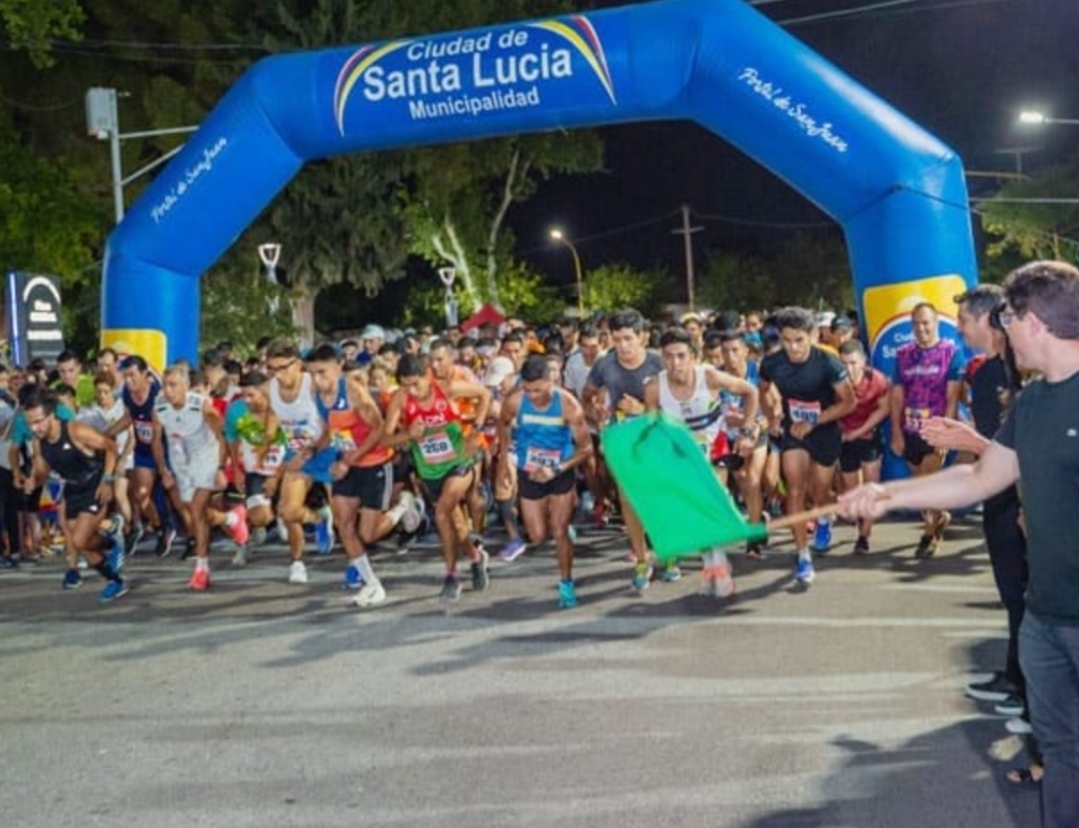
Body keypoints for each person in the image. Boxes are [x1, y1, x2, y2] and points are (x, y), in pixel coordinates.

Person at [839, 261, 1079, 828]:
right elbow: (978, 479)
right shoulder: (1035, 401)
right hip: (1044, 620)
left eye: (1009, 318)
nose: (1004, 330)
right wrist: (885, 493)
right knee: (1063, 755)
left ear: (1036, 322)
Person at [922, 284, 1034, 734]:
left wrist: (971, 443)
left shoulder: (1023, 375)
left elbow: (1020, 453)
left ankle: (1032, 696)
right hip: (998, 499)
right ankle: (1016, 677)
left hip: (1023, 503)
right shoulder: (985, 374)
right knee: (1013, 596)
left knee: (1028, 597)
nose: (960, 330)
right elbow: (988, 445)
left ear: (992, 321)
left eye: (965, 321)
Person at [645, 327, 759, 597]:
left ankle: (719, 566)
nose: (676, 363)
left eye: (681, 356)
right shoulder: (654, 388)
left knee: (709, 500)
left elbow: (751, 392)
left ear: (693, 357)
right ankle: (711, 562)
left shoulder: (708, 376)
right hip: (681, 450)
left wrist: (746, 430)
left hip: (713, 443)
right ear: (662, 358)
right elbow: (652, 428)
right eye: (669, 357)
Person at [382, 354, 491, 603]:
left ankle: (451, 577)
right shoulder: (400, 399)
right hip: (430, 469)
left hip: (460, 461)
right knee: (456, 524)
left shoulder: (447, 389)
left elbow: (484, 394)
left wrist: (477, 429)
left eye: (416, 384)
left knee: (441, 512)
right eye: (406, 384)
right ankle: (475, 558)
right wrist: (408, 435)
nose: (412, 390)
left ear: (428, 376)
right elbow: (385, 439)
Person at [758, 307, 856, 585]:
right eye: (787, 340)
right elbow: (763, 390)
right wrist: (772, 415)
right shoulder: (772, 363)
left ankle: (825, 517)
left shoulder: (829, 363)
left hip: (824, 430)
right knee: (796, 489)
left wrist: (814, 421)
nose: (793, 347)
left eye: (799, 340)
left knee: (819, 491)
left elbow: (849, 403)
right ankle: (803, 555)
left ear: (812, 335)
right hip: (793, 431)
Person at [496, 354, 592, 608]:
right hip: (529, 471)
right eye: (528, 390)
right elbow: (503, 426)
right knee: (538, 536)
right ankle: (561, 530)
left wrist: (556, 468)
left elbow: (586, 449)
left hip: (560, 471)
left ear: (551, 381)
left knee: (559, 532)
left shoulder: (568, 405)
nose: (533, 396)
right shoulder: (515, 401)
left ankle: (566, 583)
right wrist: (504, 462)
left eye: (538, 390)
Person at [582, 309, 664, 593]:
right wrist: (596, 413)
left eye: (629, 338)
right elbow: (587, 395)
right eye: (617, 339)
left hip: (658, 438)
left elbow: (684, 402)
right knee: (629, 499)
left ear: (643, 337)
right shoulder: (605, 365)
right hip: (624, 438)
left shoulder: (659, 362)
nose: (623, 346)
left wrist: (645, 410)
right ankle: (641, 559)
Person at [21, 386, 127, 602]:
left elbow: (110, 447)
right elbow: (41, 471)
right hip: (72, 489)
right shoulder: (38, 443)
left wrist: (108, 480)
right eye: (30, 423)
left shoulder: (75, 430)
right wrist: (32, 480)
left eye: (39, 421)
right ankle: (114, 574)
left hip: (94, 484)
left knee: (77, 542)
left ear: (51, 415)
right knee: (85, 545)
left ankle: (112, 541)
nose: (35, 427)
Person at [152, 363, 247, 591]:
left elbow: (222, 435)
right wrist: (164, 470)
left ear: (186, 386)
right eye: (165, 385)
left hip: (206, 457)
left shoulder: (201, 406)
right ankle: (232, 519)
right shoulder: (159, 407)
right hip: (180, 462)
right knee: (196, 514)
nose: (168, 390)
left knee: (195, 510)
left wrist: (222, 467)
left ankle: (202, 569)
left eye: (173, 385)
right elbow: (156, 440)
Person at [889, 302, 963, 558]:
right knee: (920, 484)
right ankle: (940, 516)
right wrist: (896, 433)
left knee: (927, 485)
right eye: (916, 324)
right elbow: (896, 396)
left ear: (936, 324)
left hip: (935, 429)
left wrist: (946, 430)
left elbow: (953, 397)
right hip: (910, 431)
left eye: (926, 323)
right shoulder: (903, 354)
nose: (921, 329)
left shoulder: (951, 352)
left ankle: (930, 535)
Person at [266, 339, 335, 584]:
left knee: (351, 517)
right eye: (273, 369)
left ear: (298, 364)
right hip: (297, 453)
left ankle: (358, 568)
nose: (279, 374)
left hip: (325, 449)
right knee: (288, 511)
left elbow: (333, 425)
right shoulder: (269, 388)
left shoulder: (313, 386)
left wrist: (311, 449)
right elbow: (272, 419)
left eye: (283, 368)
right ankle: (298, 560)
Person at [836, 340, 890, 554]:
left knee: (870, 486)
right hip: (844, 437)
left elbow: (884, 409)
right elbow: (830, 408)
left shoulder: (876, 379)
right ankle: (860, 519)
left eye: (853, 363)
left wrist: (859, 432)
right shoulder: (836, 381)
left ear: (863, 362)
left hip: (868, 434)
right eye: (844, 364)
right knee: (852, 489)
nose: (849, 369)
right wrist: (841, 432)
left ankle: (864, 536)